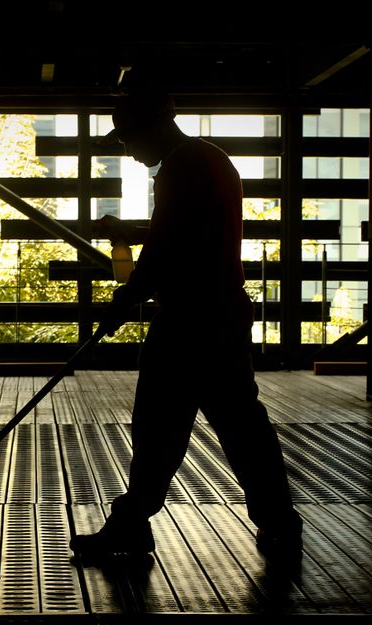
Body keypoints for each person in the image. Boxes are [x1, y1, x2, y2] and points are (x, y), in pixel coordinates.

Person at [69, 92, 303, 566]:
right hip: (220, 314)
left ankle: (132, 526)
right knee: (240, 427)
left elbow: (170, 249)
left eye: (130, 140)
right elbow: (183, 231)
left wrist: (124, 298)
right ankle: (279, 523)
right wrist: (134, 235)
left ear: (152, 126)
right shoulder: (205, 160)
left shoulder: (181, 168)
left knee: (159, 426)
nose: (130, 153)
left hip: (190, 321)